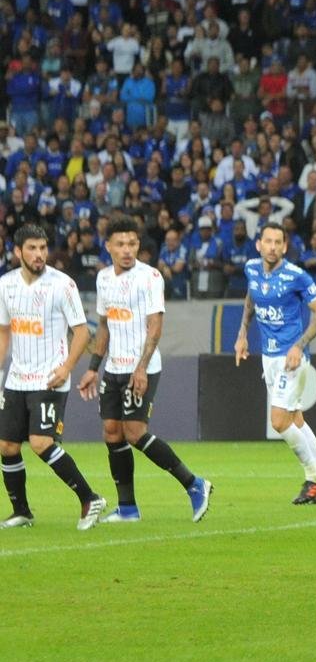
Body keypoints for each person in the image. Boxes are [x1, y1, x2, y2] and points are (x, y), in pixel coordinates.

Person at [77, 218, 213, 523]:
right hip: (113, 367)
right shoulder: (103, 279)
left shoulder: (150, 277)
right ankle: (127, 509)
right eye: (121, 244)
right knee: (112, 432)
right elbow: (104, 325)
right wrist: (92, 369)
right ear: (108, 246)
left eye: (133, 244)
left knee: (135, 433)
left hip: (143, 367)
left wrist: (140, 368)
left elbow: (156, 326)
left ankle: (194, 484)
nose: (127, 250)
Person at [0, 225, 106, 530]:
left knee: (40, 442)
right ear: (18, 252)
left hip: (49, 378)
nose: (39, 255)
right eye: (32, 248)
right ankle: (21, 511)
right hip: (17, 378)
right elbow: (5, 331)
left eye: (43, 248)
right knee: (7, 445)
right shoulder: (6, 285)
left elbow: (82, 331)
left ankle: (90, 498)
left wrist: (66, 368)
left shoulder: (63, 285)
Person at [234, 222, 316, 505]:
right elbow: (251, 300)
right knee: (295, 420)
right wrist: (242, 334)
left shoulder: (297, 276)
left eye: (277, 242)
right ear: (258, 244)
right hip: (268, 357)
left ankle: (313, 478)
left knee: (279, 422)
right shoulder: (251, 269)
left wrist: (299, 345)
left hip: (291, 357)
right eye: (267, 241)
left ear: (284, 246)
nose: (272, 247)